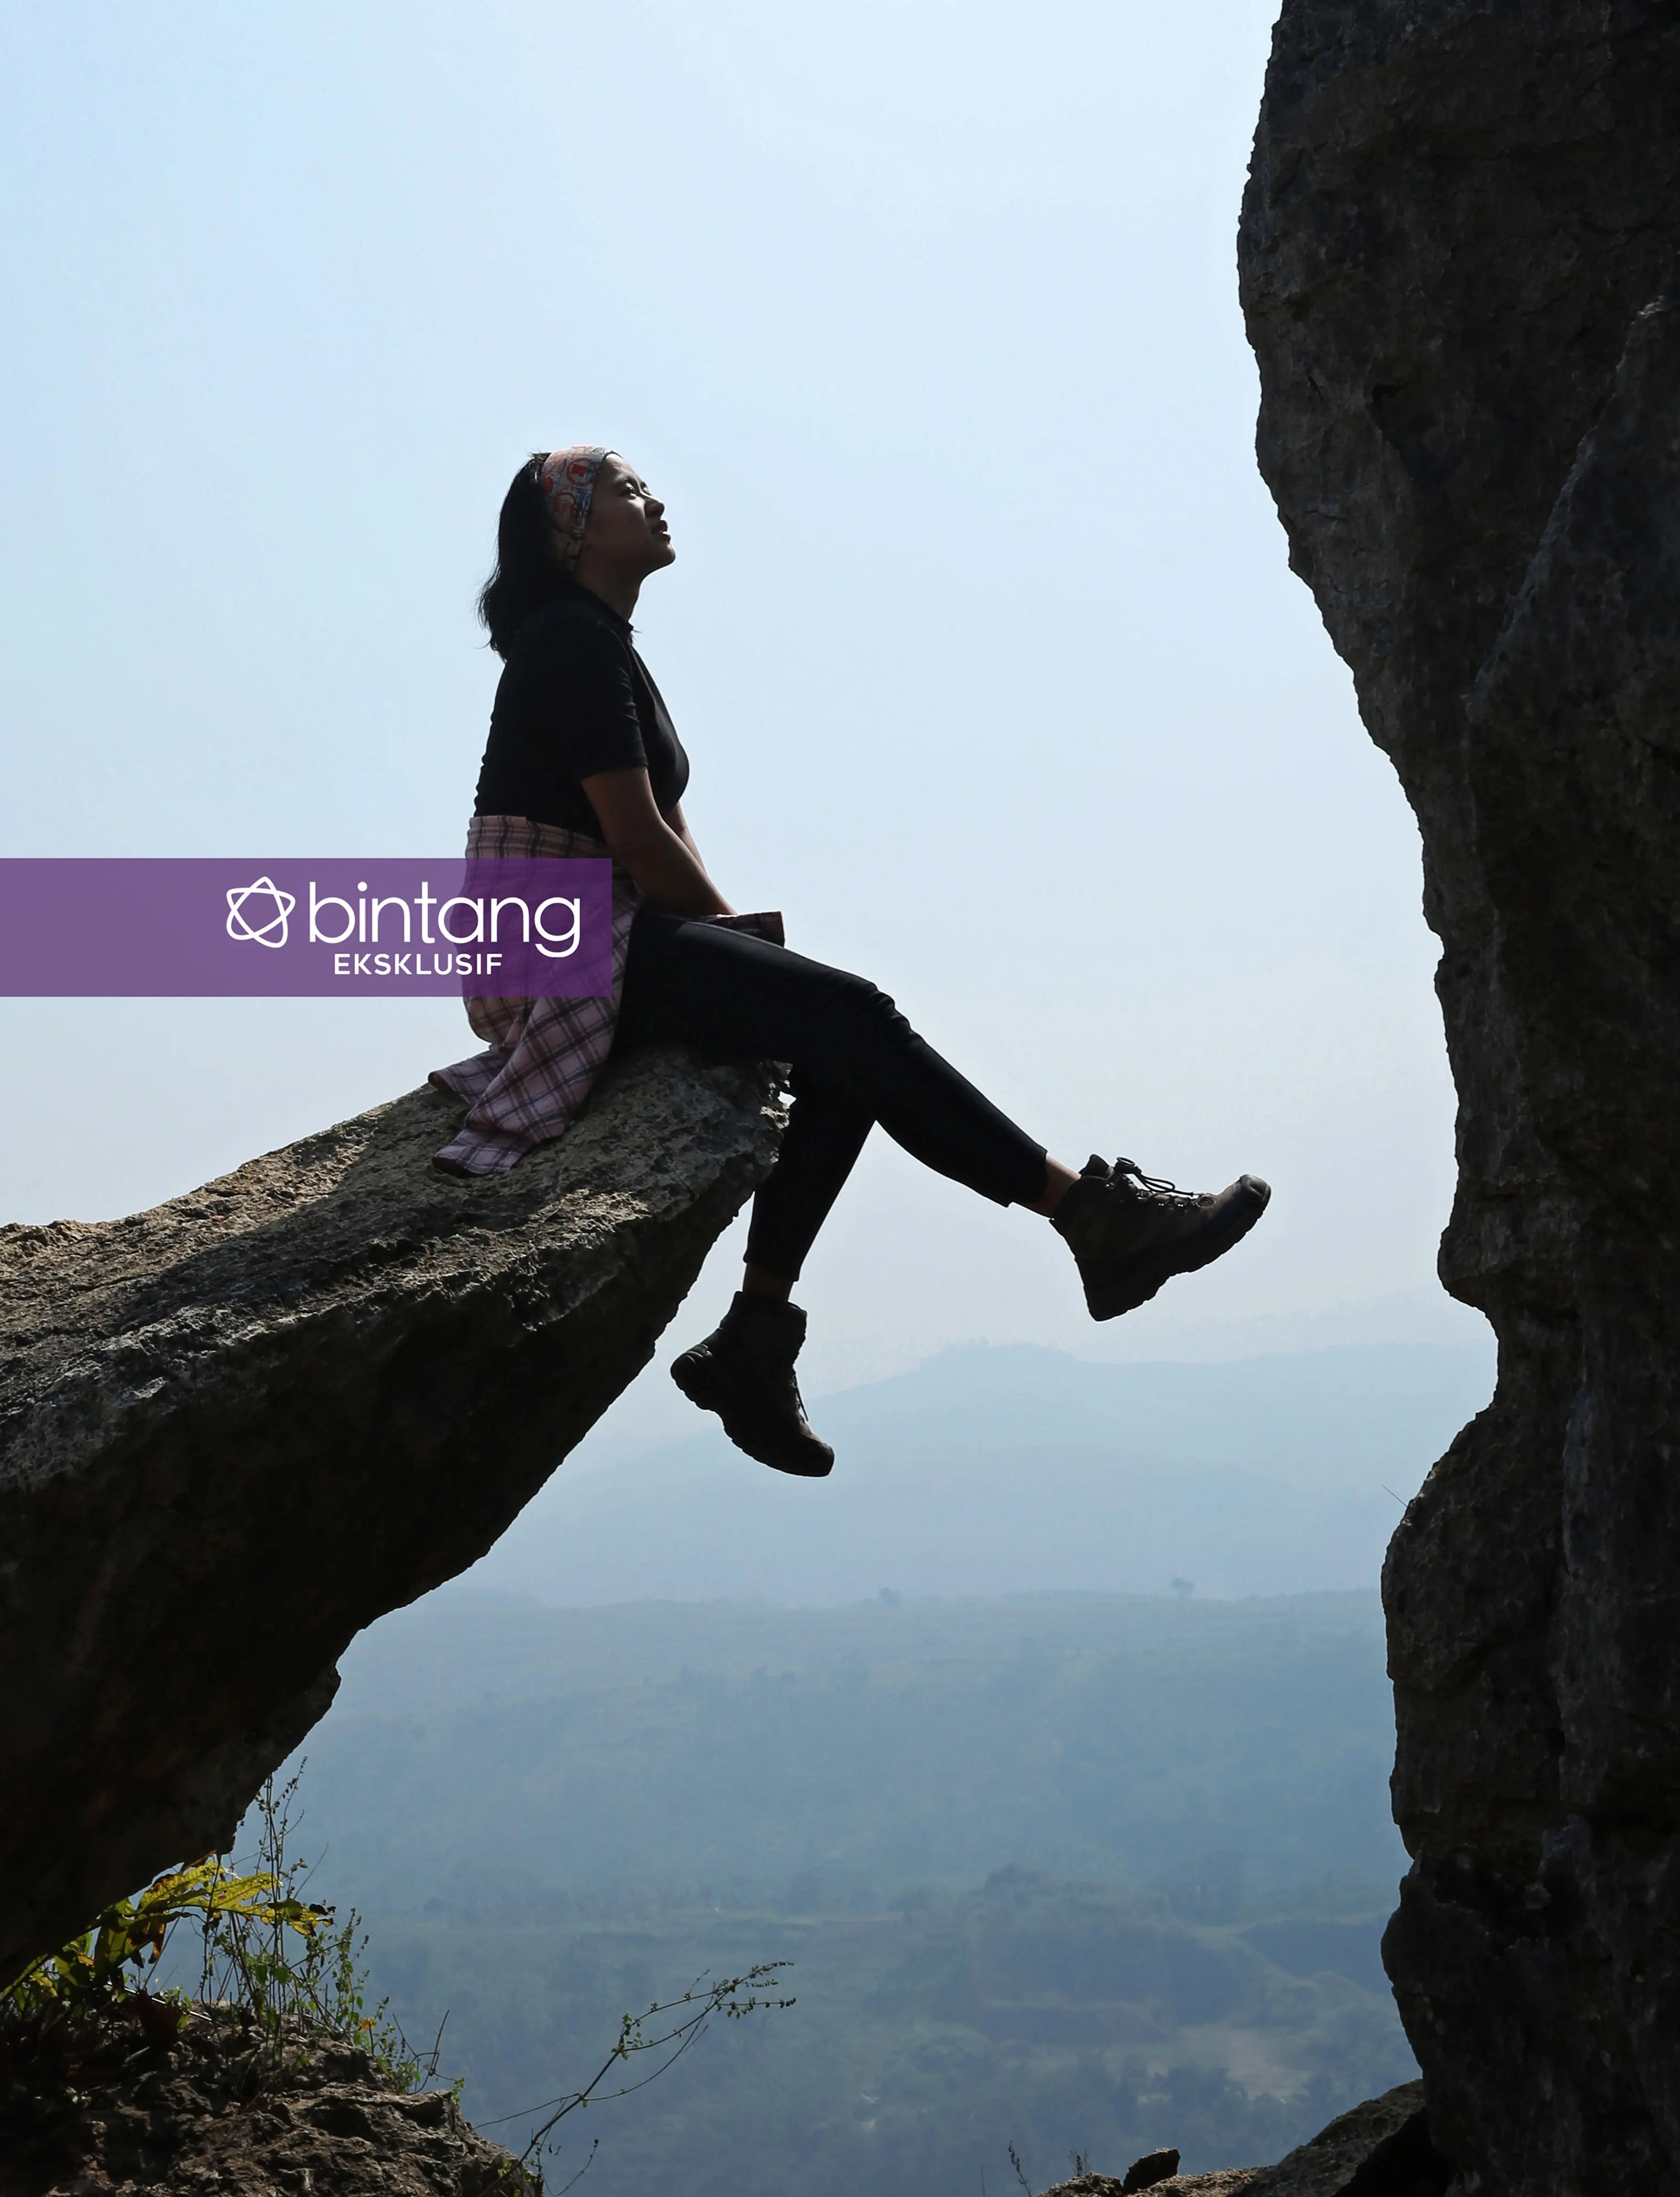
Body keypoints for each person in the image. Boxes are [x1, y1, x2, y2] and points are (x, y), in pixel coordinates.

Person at [432, 446, 1269, 1480]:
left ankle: (754, 1336)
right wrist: (747, 948)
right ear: (569, 529)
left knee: (839, 1048)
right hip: (556, 945)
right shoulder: (568, 641)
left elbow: (666, 839)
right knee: (852, 1015)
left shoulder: (603, 644)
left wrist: (740, 944)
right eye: (623, 488)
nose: (652, 498)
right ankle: (1095, 1216)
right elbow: (640, 843)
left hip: (599, 927)